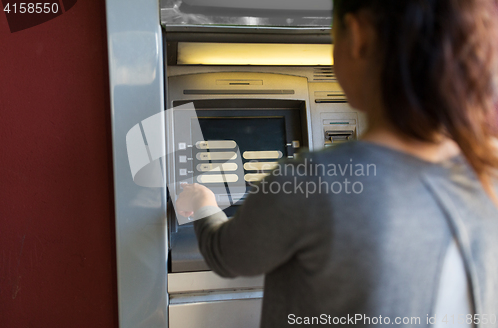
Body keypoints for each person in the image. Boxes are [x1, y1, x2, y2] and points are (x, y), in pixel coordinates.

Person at [176, 0, 498, 327]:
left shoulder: (311, 180)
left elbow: (228, 256)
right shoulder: (486, 175)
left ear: (358, 37)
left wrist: (204, 203)